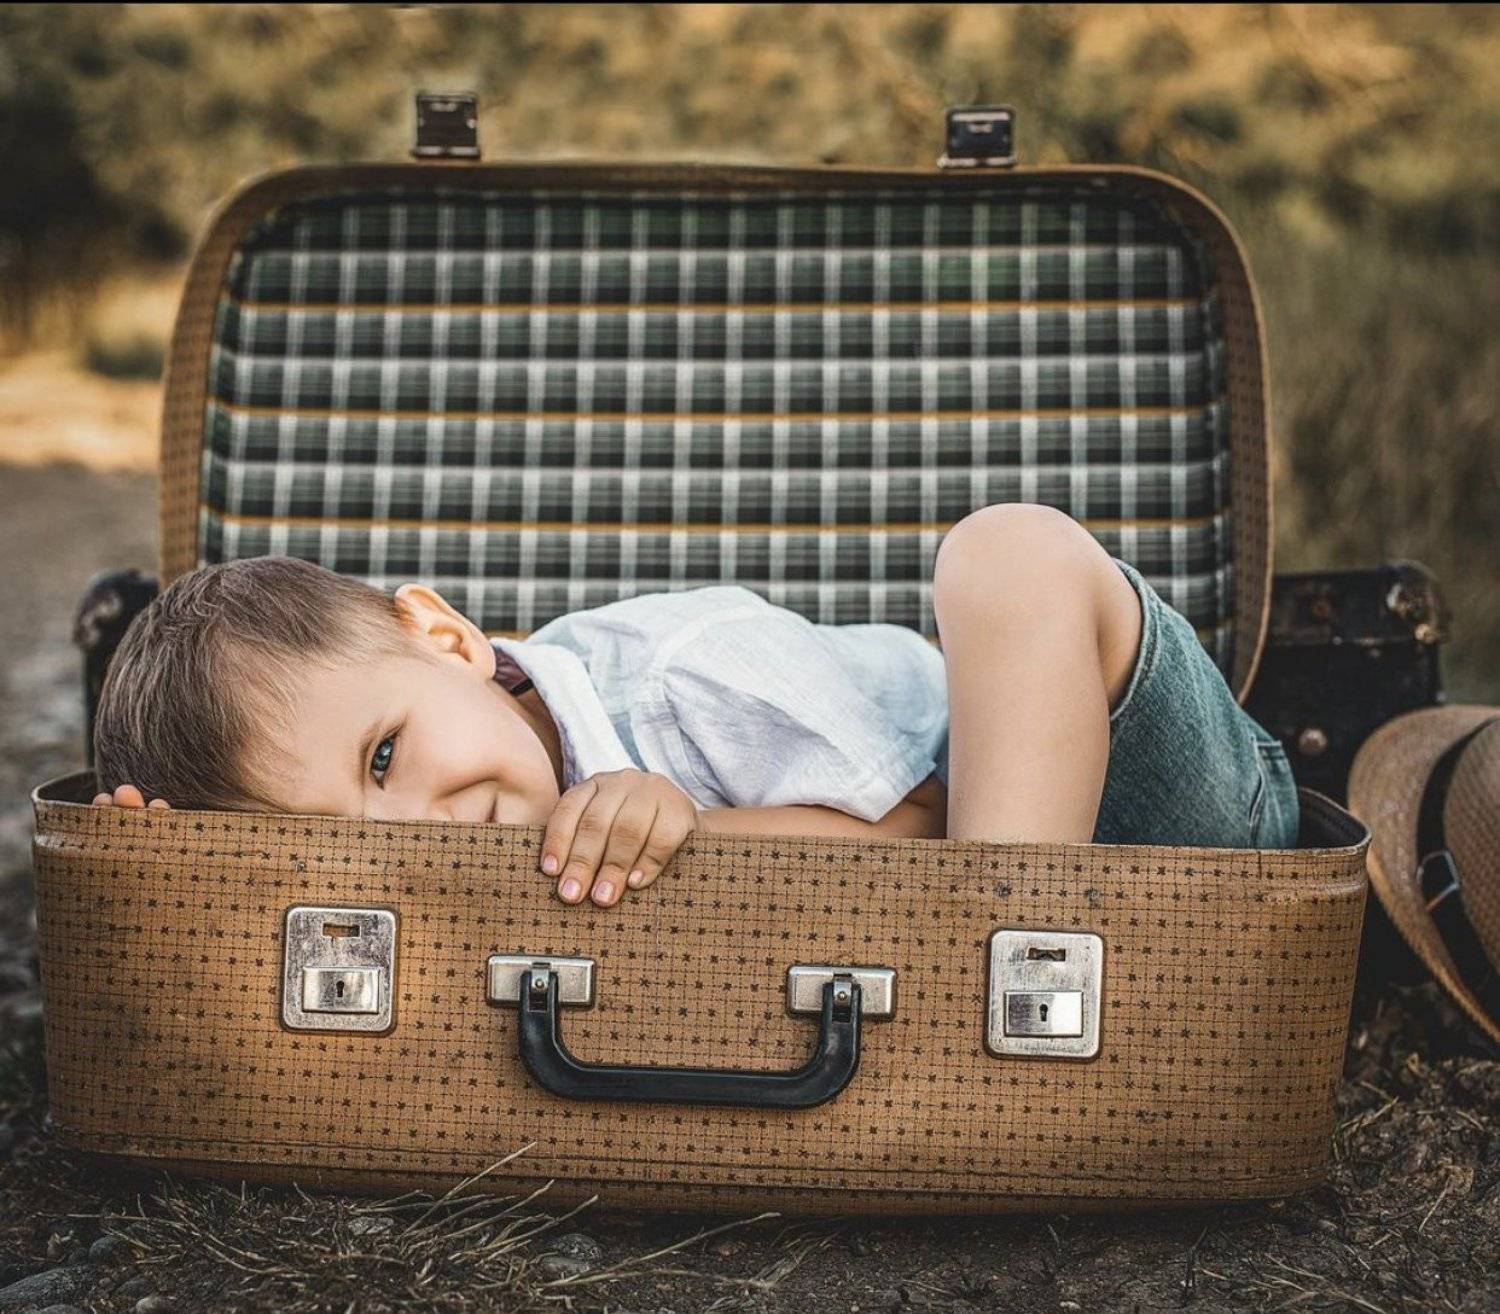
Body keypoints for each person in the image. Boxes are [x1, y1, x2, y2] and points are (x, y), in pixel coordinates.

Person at [91, 504, 1299, 908]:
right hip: (1041, 887)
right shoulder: (464, 826)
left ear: (448, 639)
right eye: (342, 843)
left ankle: (1014, 973)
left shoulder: (685, 671)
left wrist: (686, 829)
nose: (415, 831)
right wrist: (167, 894)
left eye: (384, 757)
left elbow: (925, 837)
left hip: (1159, 798)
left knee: (1006, 553)